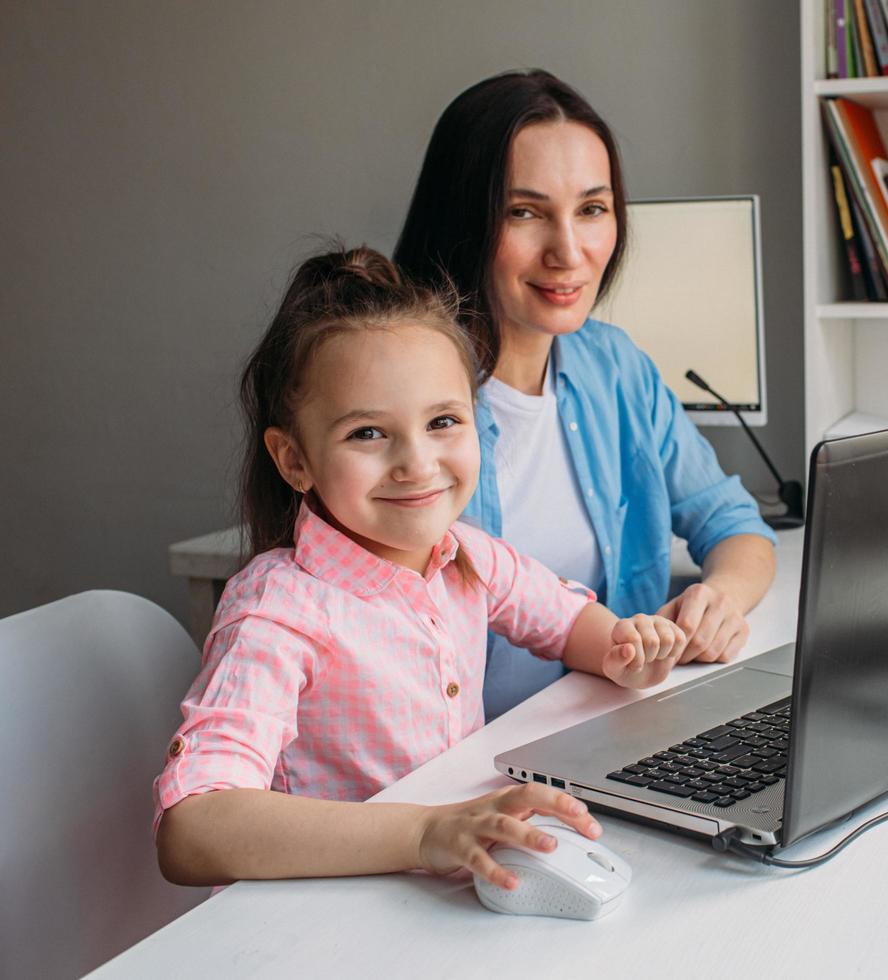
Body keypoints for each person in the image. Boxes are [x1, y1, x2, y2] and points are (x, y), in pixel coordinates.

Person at [154, 245, 690, 889]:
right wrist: (422, 832)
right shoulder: (277, 609)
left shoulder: (467, 553)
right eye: (368, 434)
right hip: (326, 918)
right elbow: (193, 826)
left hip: (445, 885)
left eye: (442, 421)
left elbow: (571, 625)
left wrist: (627, 649)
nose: (417, 463)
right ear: (294, 459)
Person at [394, 70, 778, 719]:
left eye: (592, 209)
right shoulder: (399, 397)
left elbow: (736, 526)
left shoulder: (614, 367)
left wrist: (720, 598)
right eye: (525, 213)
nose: (569, 252)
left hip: (606, 727)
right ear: (465, 219)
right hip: (454, 766)